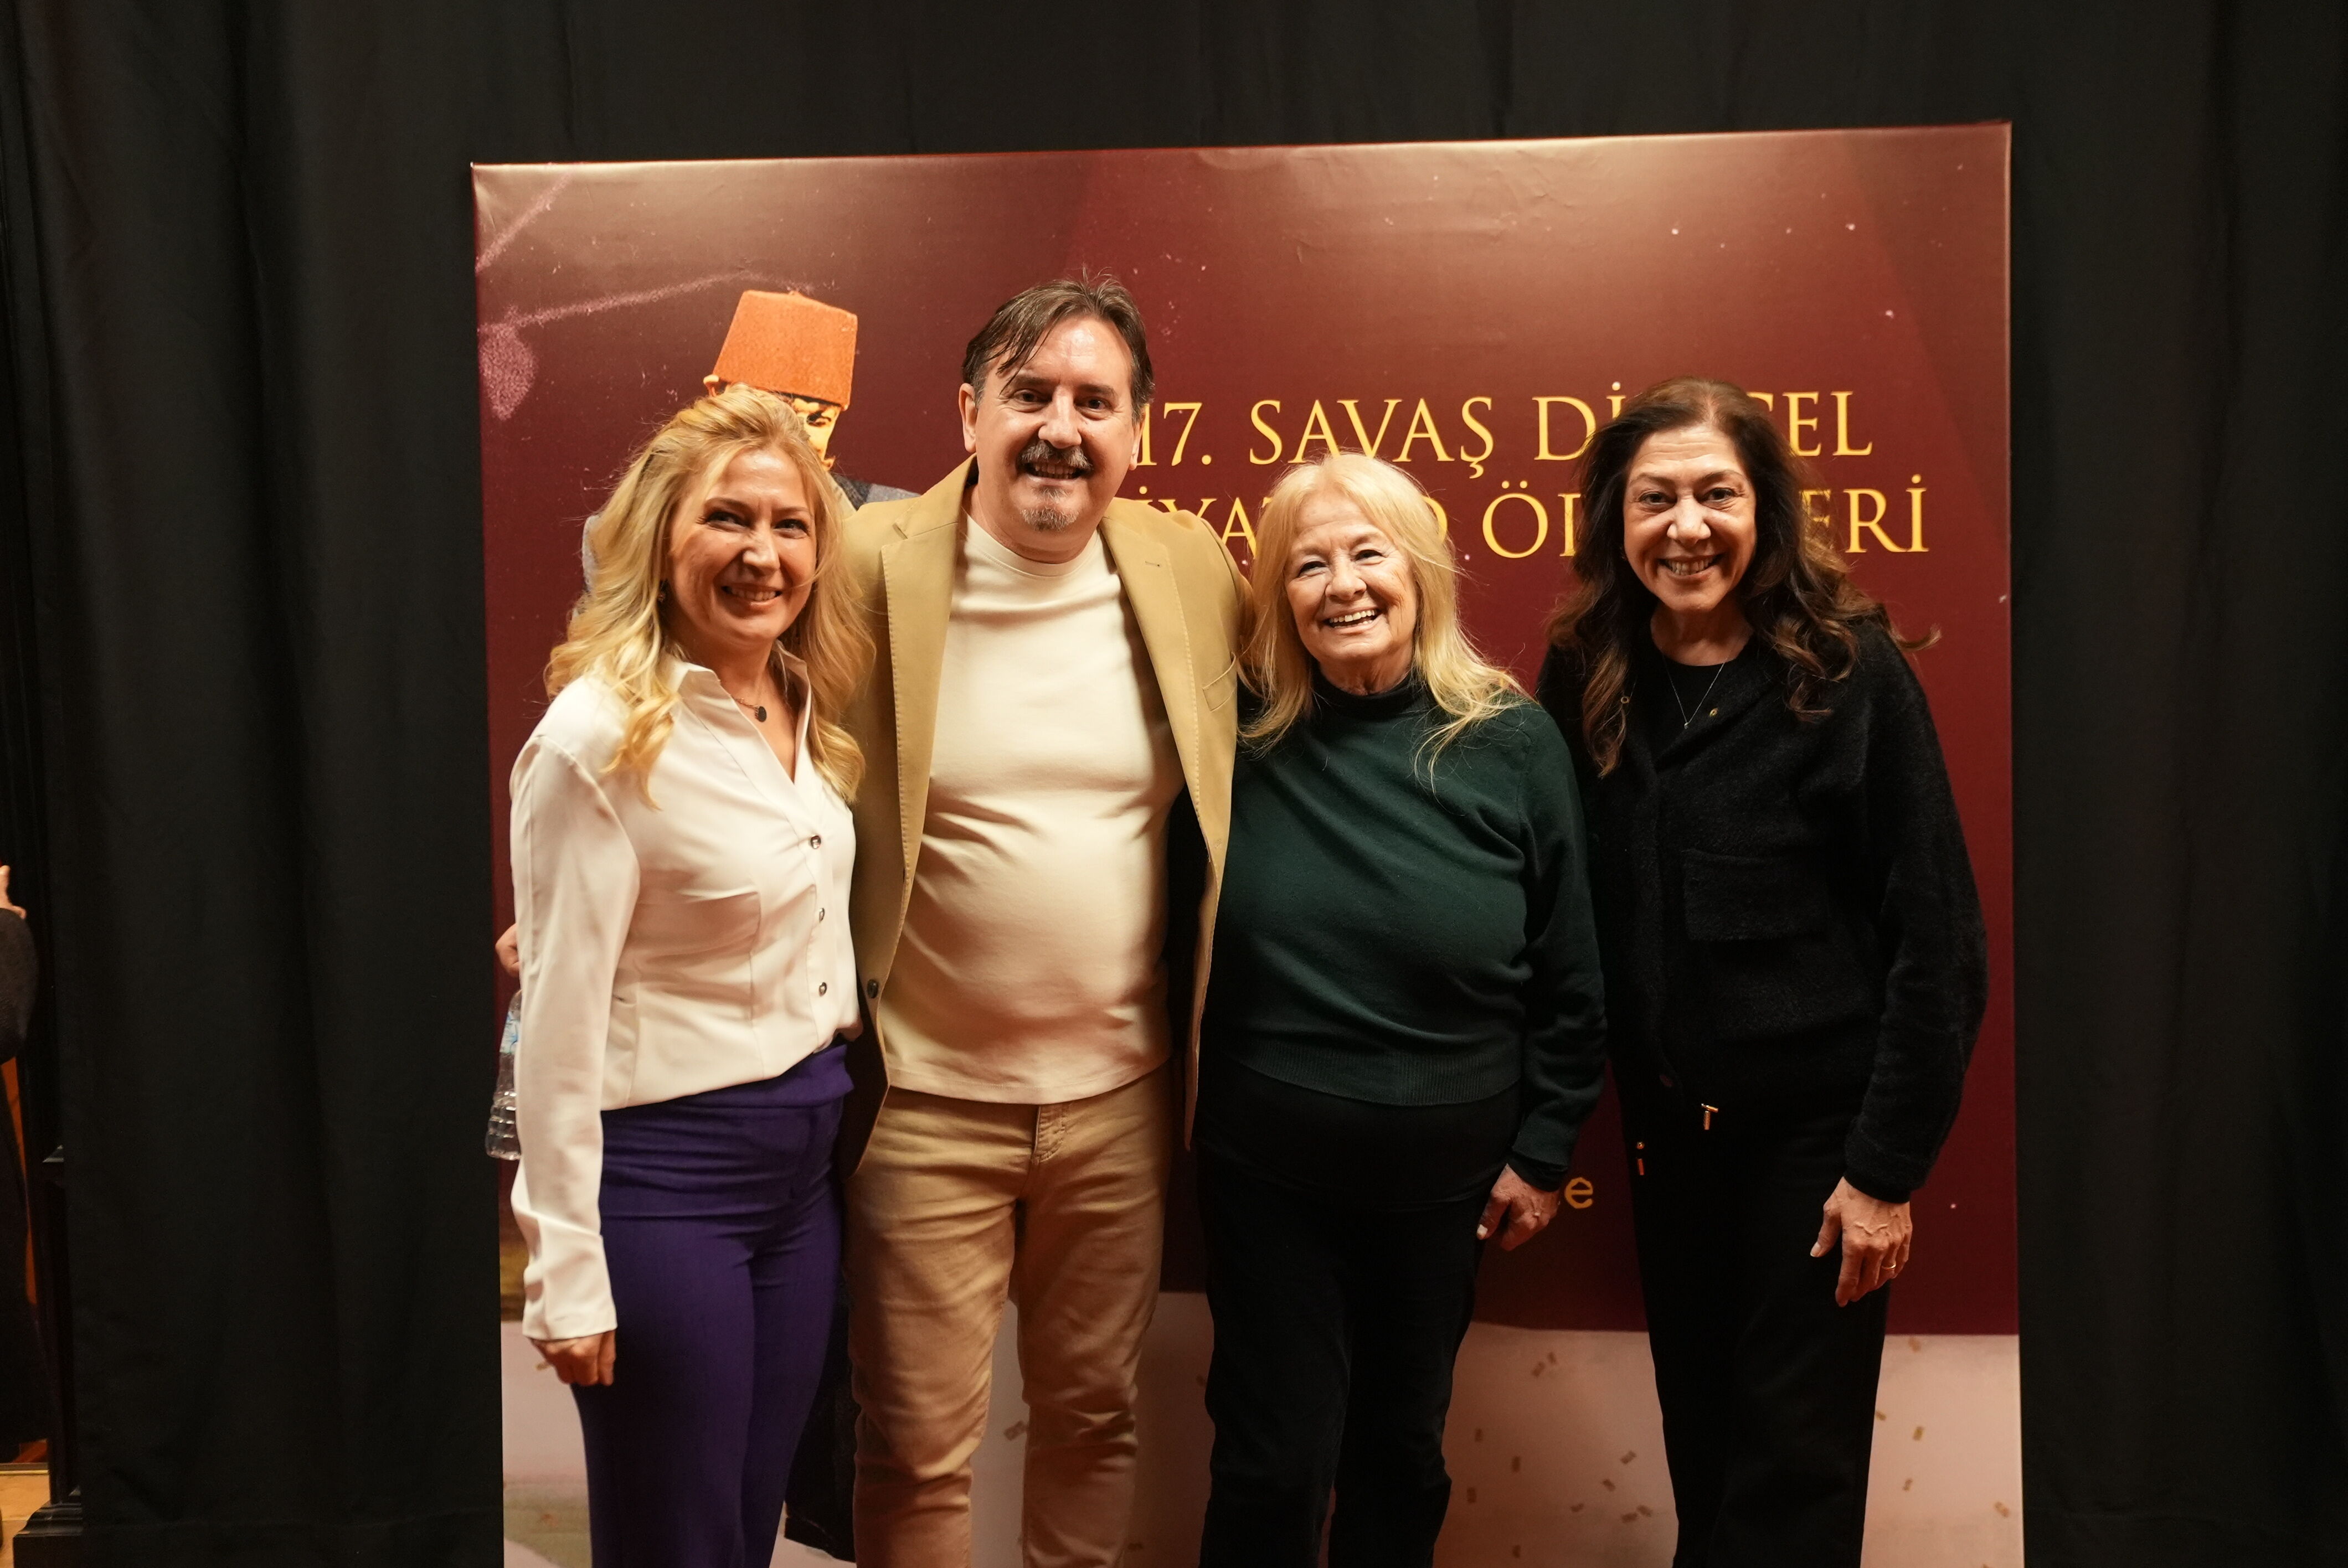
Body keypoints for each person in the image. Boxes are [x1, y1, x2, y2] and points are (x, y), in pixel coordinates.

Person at [1537, 378, 1988, 1567]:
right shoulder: (1587, 669)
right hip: (1669, 1147)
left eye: (1715, 495)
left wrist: (1881, 1175)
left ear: (1764, 509)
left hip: (1817, 1157)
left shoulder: (1848, 671)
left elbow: (1939, 944)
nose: (1685, 527)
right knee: (1708, 1454)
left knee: (1789, 1479)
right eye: (1654, 499)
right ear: (1614, 518)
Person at [835, 275, 1243, 1566]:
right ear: (968, 414)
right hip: (923, 1104)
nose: (1060, 428)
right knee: (914, 1448)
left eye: (1093, 402)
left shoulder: (1186, 567)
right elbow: (727, 708)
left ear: (1138, 432)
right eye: (1029, 396)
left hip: (1120, 1101)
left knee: (1092, 1418)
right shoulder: (864, 562)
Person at [1193, 453, 1608, 1567]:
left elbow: (1572, 970)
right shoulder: (1236, 731)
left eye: (1367, 554)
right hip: (1265, 1172)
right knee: (1271, 1462)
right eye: (1308, 565)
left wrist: (1542, 1147)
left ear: (1419, 569)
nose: (1343, 586)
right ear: (1277, 594)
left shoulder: (1510, 739)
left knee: (1399, 1453)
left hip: (1444, 1186)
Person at [507, 384, 872, 1566]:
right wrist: (565, 1273)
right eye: (728, 518)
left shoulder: (801, 709)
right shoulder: (596, 738)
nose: (764, 554)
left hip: (800, 1183)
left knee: (744, 1531)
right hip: (669, 1187)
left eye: (790, 525)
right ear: (660, 541)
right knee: (677, 1544)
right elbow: (557, 1027)